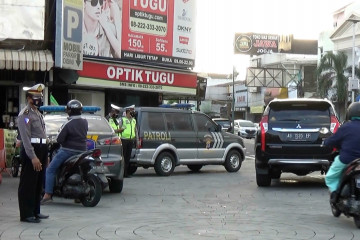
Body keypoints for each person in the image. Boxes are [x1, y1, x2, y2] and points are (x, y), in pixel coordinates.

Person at [41, 100, 88, 204]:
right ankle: (77, 196)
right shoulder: (85, 121)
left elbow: (59, 139)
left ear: (69, 111)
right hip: (82, 151)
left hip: (68, 151)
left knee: (50, 169)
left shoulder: (68, 123)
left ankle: (48, 194)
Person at [17, 83, 48, 223]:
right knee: (28, 183)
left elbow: (42, 135)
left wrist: (44, 154)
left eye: (40, 97)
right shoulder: (25, 114)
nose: (39, 99)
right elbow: (25, 138)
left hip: (41, 149)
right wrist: (33, 157)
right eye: (36, 97)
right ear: (29, 98)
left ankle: (36, 211)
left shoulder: (38, 114)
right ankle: (26, 214)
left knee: (37, 183)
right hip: (32, 150)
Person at [324, 102, 360, 204]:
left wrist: (326, 142)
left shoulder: (346, 127)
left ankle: (335, 194)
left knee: (330, 177)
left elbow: (333, 140)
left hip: (346, 160)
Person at [119, 105, 136, 177]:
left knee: (128, 157)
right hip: (123, 140)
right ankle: (121, 173)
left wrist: (136, 139)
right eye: (131, 111)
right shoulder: (122, 119)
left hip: (130, 140)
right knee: (123, 156)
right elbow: (119, 128)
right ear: (128, 112)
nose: (133, 113)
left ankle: (126, 173)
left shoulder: (134, 120)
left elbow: (135, 130)